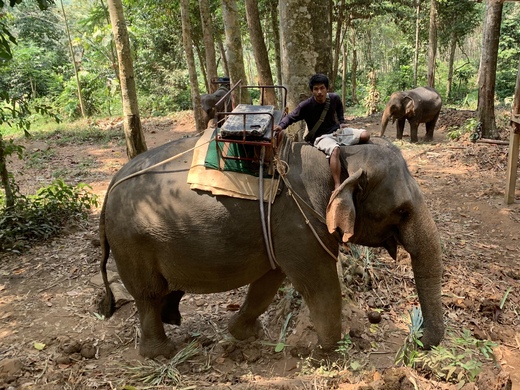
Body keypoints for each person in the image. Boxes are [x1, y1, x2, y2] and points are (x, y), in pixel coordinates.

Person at [274, 73, 370, 190]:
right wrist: (280, 126)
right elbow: (291, 117)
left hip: (336, 132)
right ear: (312, 91)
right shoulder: (306, 106)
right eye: (316, 89)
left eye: (322, 88)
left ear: (327, 89)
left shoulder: (334, 98)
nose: (319, 92)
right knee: (335, 150)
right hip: (321, 137)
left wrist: (341, 121)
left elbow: (339, 107)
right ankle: (337, 185)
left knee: (365, 135)